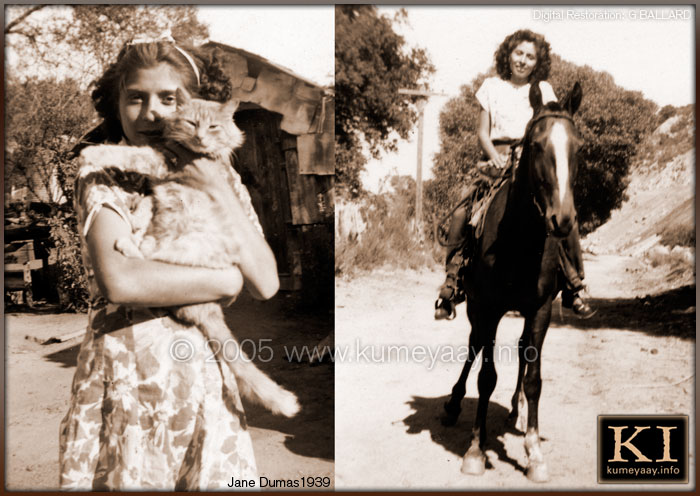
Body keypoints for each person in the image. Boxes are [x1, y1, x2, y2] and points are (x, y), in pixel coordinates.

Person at [59, 37, 279, 490]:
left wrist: (216, 186)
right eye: (135, 98)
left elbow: (267, 281)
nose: (152, 113)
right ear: (115, 103)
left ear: (188, 104)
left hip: (203, 379)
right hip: (128, 379)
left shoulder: (223, 173)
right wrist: (223, 279)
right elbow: (121, 280)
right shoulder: (101, 171)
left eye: (168, 98)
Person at [434, 29, 595, 321]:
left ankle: (574, 284)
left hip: (530, 163)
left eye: (530, 56)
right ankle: (453, 282)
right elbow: (482, 132)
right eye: (518, 53)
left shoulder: (544, 89)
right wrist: (494, 155)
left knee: (563, 212)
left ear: (538, 61)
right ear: (508, 54)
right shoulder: (491, 87)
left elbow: (550, 128)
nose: (522, 60)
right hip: (495, 159)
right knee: (462, 207)